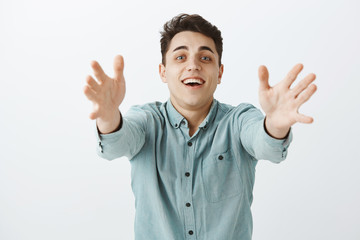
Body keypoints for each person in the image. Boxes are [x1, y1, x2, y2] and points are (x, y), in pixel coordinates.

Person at [83, 14, 317, 240]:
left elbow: (266, 146)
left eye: (205, 58)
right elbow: (116, 145)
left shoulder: (239, 119)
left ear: (220, 72)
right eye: (180, 57)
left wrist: (274, 124)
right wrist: (109, 116)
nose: (193, 66)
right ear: (163, 72)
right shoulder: (146, 119)